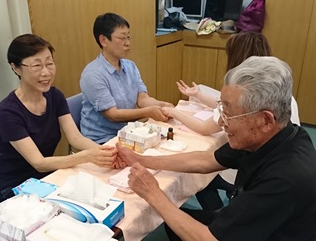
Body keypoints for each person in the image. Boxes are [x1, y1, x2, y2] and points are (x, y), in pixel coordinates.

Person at [116, 56, 316, 240]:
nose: (221, 121)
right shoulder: (273, 136)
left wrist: (152, 193)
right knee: (174, 225)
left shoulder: (285, 178)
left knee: (174, 221)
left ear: (265, 120)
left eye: (229, 113)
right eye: (222, 109)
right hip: (256, 221)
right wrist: (141, 160)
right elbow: (204, 160)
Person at [162, 31, 301, 211]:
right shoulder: (278, 93)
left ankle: (216, 214)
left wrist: (174, 112)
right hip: (266, 165)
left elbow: (206, 129)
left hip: (247, 171)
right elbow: (238, 108)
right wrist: (199, 95)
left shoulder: (278, 177)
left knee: (199, 178)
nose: (224, 120)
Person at [0, 34, 123, 202]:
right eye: (36, 66)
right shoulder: (7, 111)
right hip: (16, 185)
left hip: (48, 176)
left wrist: (107, 154)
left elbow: (75, 138)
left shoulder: (54, 96)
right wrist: (86, 157)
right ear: (16, 68)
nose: (46, 72)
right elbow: (38, 162)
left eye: (49, 63)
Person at [79, 12, 173, 144]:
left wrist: (161, 105)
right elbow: (112, 115)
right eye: (122, 38)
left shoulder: (130, 67)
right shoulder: (93, 74)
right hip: (101, 140)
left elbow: (142, 99)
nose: (128, 43)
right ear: (103, 40)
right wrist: (148, 112)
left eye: (129, 37)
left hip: (127, 133)